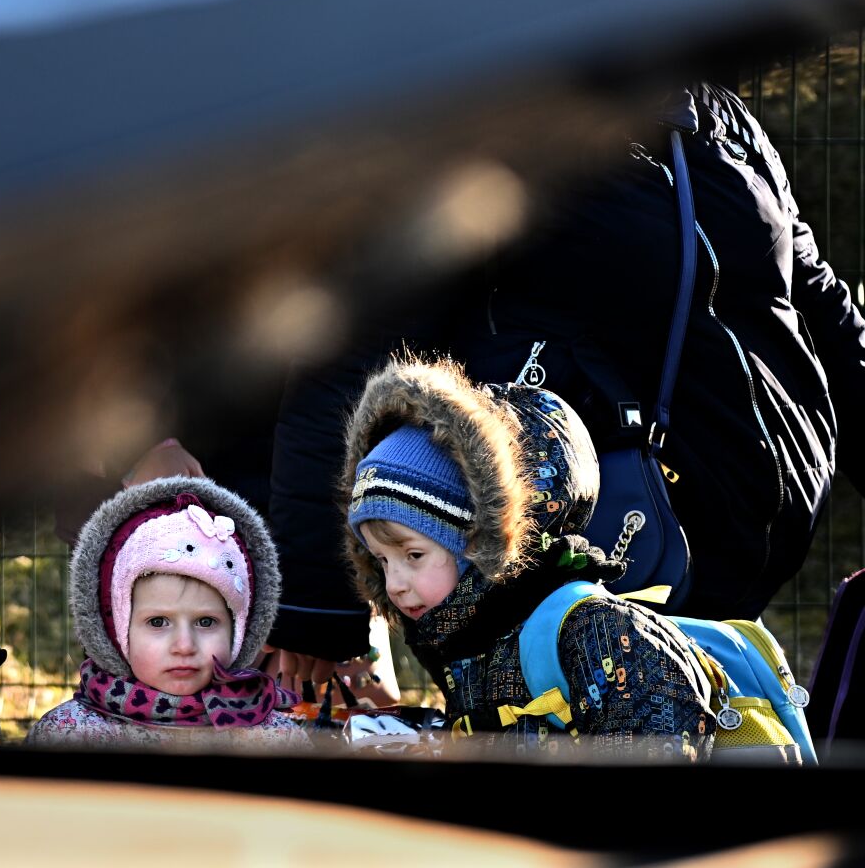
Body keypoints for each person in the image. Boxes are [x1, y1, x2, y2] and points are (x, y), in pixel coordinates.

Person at [265, 83, 865, 696]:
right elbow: (355, 341)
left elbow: (819, 306)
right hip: (561, 580)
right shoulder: (485, 110)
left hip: (726, 576)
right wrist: (319, 607)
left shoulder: (721, 119)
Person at [344, 357, 715, 757]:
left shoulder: (597, 632)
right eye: (382, 560)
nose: (394, 583)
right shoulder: (471, 639)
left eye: (413, 555)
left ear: (479, 539)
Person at [26, 475, 303, 747]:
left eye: (206, 622)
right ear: (117, 632)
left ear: (239, 631)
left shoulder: (275, 741)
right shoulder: (68, 737)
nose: (184, 645)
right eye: (158, 622)